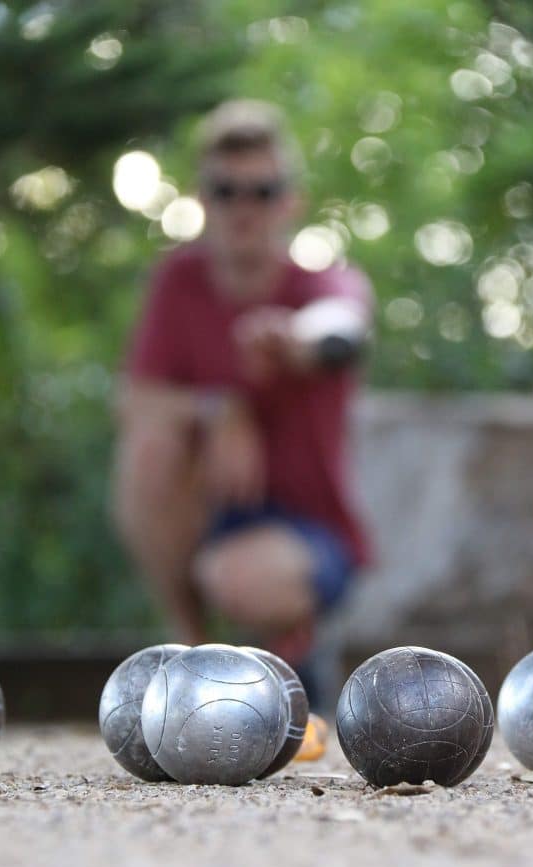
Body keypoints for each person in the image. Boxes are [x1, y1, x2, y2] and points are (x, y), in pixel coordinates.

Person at [112, 99, 374, 705]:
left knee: (235, 578)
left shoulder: (323, 283)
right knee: (147, 450)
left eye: (262, 190)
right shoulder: (177, 283)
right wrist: (217, 408)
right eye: (226, 190)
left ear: (290, 201)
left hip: (311, 537)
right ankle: (189, 663)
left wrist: (295, 339)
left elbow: (341, 329)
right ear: (203, 199)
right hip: (212, 512)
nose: (244, 206)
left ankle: (295, 648)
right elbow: (132, 400)